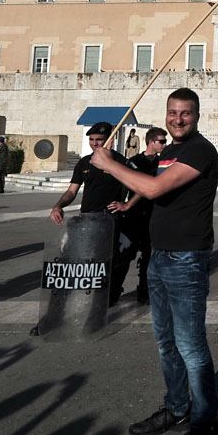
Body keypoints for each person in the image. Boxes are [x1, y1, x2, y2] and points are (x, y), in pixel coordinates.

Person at [90, 88, 218, 435]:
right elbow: (145, 185)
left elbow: (154, 188)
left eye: (186, 113)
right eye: (173, 112)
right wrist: (115, 159)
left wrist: (108, 165)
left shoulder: (200, 150)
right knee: (166, 342)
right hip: (160, 255)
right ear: (165, 114)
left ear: (196, 115)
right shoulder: (166, 153)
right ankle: (177, 408)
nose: (178, 119)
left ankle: (205, 423)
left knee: (191, 346)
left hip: (186, 257)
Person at [47, 122, 139, 312]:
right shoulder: (84, 163)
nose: (95, 143)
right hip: (85, 221)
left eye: (100, 140)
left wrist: (127, 204)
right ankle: (54, 312)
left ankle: (99, 307)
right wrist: (58, 206)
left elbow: (140, 188)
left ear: (110, 141)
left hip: (108, 222)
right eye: (92, 140)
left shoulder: (120, 163)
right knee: (68, 264)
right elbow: (72, 191)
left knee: (103, 266)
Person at [122, 126, 168, 304]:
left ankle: (144, 289)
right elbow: (128, 186)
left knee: (149, 256)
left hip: (154, 214)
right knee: (125, 254)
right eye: (162, 141)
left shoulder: (163, 163)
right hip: (134, 215)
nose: (165, 144)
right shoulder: (134, 161)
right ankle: (114, 289)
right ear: (151, 142)